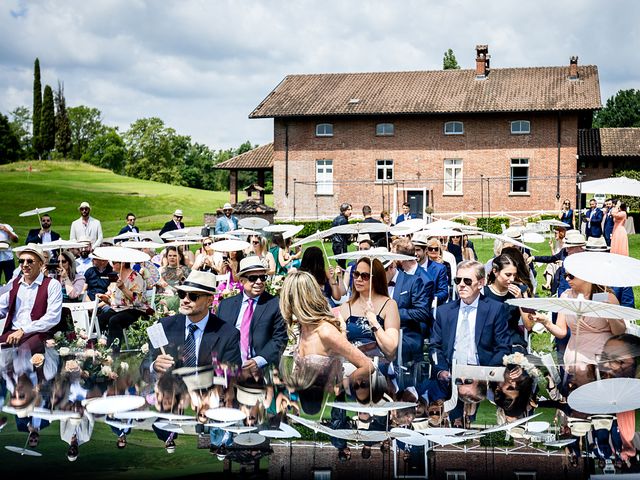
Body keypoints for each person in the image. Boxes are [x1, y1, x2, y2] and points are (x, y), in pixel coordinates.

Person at [278, 270, 376, 405]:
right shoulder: (302, 328)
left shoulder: (325, 331)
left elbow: (367, 366)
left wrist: (341, 385)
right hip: (306, 401)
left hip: (329, 402)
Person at [428, 260, 511, 401]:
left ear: (480, 283)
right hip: (451, 371)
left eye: (467, 281)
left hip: (482, 371)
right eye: (457, 280)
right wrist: (441, 370)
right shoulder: (444, 312)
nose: (461, 285)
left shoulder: (495, 309)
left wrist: (485, 373)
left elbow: (504, 347)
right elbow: (435, 347)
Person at [531, 273, 625, 388]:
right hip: (578, 350)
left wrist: (609, 313)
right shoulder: (566, 297)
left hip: (604, 349)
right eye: (566, 275)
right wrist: (546, 322)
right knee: (581, 371)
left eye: (571, 276)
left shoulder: (604, 297)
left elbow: (620, 332)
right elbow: (561, 332)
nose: (566, 279)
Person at [152, 270, 242, 372]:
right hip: (172, 387)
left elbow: (233, 375)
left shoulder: (228, 334)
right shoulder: (165, 326)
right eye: (182, 294)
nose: (185, 300)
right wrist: (154, 366)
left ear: (209, 301)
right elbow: (146, 365)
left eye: (193, 296)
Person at [216, 257, 287, 376]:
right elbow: (216, 336)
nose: (259, 282)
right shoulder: (225, 305)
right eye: (253, 278)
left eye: (263, 277)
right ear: (242, 281)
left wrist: (258, 361)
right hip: (229, 370)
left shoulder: (275, 304)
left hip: (261, 371)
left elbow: (280, 338)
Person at [0, 246, 62, 353]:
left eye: (29, 261)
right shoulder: (13, 284)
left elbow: (53, 317)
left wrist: (24, 330)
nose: (24, 265)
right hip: (13, 332)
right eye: (21, 261)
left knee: (25, 351)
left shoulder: (52, 284)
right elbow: (1, 308)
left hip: (38, 333)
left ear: (40, 264)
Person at [339, 257, 400, 363]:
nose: (358, 279)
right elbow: (340, 346)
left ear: (376, 279)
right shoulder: (346, 306)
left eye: (365, 276)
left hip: (377, 365)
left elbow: (391, 350)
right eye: (356, 274)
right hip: (350, 363)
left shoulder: (389, 305)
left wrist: (374, 322)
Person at [484, 253, 533, 351]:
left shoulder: (520, 291)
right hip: (490, 343)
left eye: (514, 275)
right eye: (508, 275)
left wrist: (520, 300)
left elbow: (529, 326)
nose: (512, 279)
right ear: (495, 271)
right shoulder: (484, 293)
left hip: (513, 342)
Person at [97, 260, 149, 349]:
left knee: (114, 320)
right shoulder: (118, 277)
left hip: (136, 309)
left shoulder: (136, 277)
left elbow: (137, 301)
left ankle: (113, 352)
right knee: (100, 319)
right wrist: (107, 300)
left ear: (123, 263)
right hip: (120, 308)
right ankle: (98, 348)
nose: (111, 264)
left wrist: (123, 288)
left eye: (114, 263)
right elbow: (117, 300)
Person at [414, 234, 449, 305]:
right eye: (413, 250)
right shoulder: (405, 268)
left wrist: (427, 299)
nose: (415, 253)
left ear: (426, 250)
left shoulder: (439, 269)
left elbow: (444, 292)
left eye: (418, 250)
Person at [330, 203, 352, 269]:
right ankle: (341, 278)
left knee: (340, 265)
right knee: (342, 266)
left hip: (335, 245)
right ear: (343, 210)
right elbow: (347, 235)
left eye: (351, 209)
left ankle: (339, 278)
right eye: (348, 209)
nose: (350, 211)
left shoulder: (335, 219)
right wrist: (350, 238)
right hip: (341, 245)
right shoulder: (344, 220)